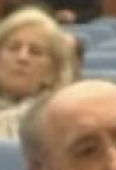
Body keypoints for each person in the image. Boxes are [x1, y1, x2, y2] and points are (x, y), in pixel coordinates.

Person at [0, 7, 73, 138]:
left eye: (35, 52)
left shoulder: (59, 122)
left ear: (52, 72)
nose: (22, 57)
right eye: (13, 48)